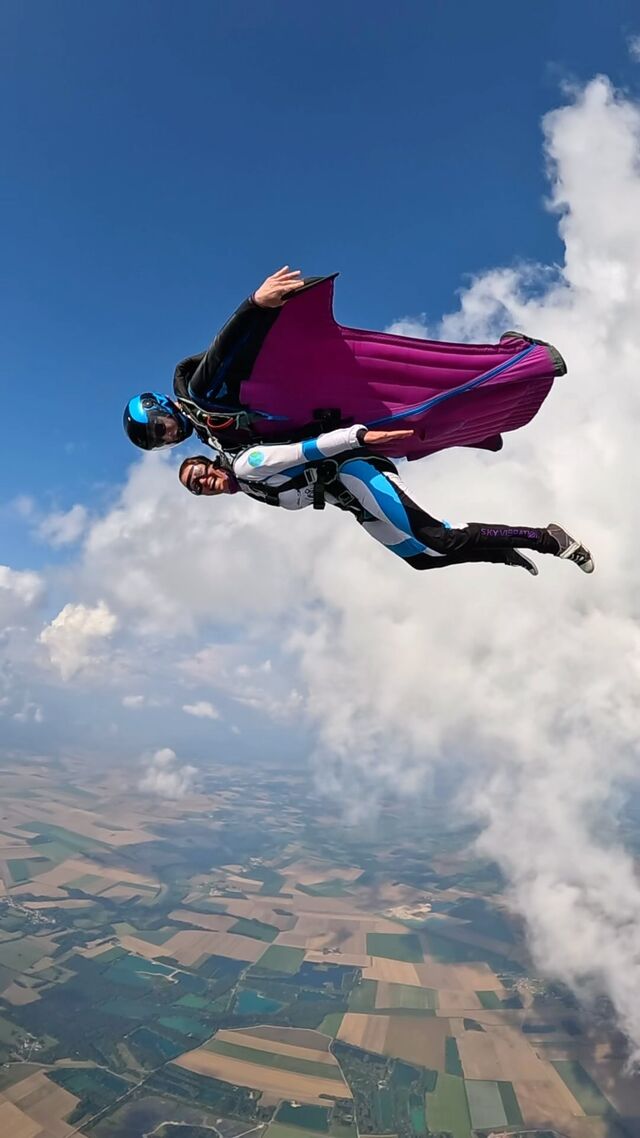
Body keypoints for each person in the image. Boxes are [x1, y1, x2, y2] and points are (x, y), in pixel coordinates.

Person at [177, 425, 594, 576]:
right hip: (351, 500)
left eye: (201, 475)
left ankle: (546, 538)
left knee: (439, 538)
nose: (206, 484)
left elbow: (309, 449)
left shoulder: (249, 465)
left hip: (356, 471)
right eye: (198, 488)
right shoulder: (252, 488)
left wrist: (360, 437)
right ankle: (500, 552)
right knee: (422, 559)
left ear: (209, 463)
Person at [123, 267, 307, 452]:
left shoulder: (198, 393)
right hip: (306, 427)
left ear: (159, 408)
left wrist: (254, 304)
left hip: (301, 394)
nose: (167, 437)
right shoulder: (207, 429)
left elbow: (225, 350)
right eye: (160, 442)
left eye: (159, 429)